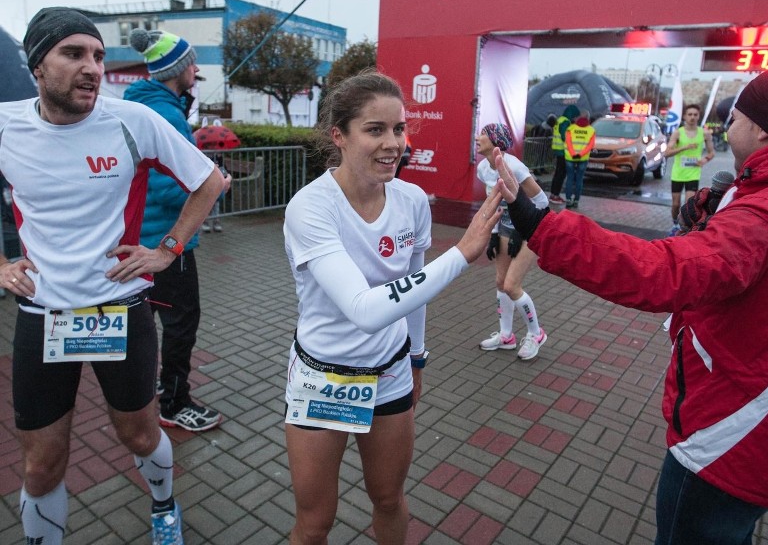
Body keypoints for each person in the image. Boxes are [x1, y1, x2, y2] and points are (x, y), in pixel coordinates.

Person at [493, 59, 768, 545]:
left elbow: (662, 273)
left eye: (736, 120)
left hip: (732, 435)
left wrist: (542, 226)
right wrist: (716, 218)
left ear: (765, 129)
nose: (728, 130)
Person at [0, 7, 225, 545]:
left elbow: (210, 181)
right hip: (42, 312)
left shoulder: (133, 120)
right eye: (73, 53)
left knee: (140, 435)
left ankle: (165, 506)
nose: (92, 68)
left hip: (118, 308)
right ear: (37, 64)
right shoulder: (6, 124)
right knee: (40, 465)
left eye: (98, 56)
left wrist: (167, 250)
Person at [282, 70, 502, 544]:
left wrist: (417, 355)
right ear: (339, 136)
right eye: (375, 129)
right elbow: (364, 308)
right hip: (324, 375)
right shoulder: (311, 207)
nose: (393, 143)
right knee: (314, 522)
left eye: (399, 129)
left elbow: (409, 290)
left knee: (389, 499)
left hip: (390, 373)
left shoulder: (411, 200)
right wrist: (462, 253)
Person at [125, 27, 232, 432]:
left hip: (139, 240)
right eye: (192, 65)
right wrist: (216, 184)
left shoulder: (142, 105)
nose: (197, 70)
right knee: (180, 325)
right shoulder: (166, 115)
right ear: (181, 69)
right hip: (168, 244)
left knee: (147, 321)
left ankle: (147, 390)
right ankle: (173, 402)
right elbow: (173, 190)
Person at [476, 123, 549, 360]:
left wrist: (521, 231)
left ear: (496, 141)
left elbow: (542, 201)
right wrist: (495, 234)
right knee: (500, 281)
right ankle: (506, 336)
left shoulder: (515, 167)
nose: (478, 138)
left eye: (483, 134)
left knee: (511, 286)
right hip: (505, 228)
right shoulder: (483, 169)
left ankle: (536, 334)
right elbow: (495, 203)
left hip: (531, 230)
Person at [664, 103, 715, 235]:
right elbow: (667, 153)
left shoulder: (704, 133)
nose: (692, 117)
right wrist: (684, 147)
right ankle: (675, 223)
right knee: (675, 204)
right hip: (678, 173)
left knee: (688, 202)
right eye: (690, 114)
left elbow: (711, 153)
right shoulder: (678, 133)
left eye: (695, 115)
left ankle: (684, 228)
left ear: (699, 116)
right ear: (685, 116)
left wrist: (704, 160)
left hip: (693, 173)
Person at [561, 110, 595, 208]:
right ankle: (576, 201)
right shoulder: (591, 130)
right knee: (579, 179)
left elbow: (568, 142)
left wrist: (573, 153)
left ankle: (568, 199)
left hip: (570, 157)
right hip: (583, 158)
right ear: (588, 118)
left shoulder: (570, 128)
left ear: (578, 117)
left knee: (570, 178)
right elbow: (590, 145)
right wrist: (580, 154)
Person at [548, 105, 579, 204]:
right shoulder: (566, 121)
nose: (575, 118)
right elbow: (564, 136)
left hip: (558, 150)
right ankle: (555, 196)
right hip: (563, 151)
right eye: (575, 116)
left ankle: (553, 194)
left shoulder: (560, 119)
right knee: (561, 174)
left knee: (558, 173)